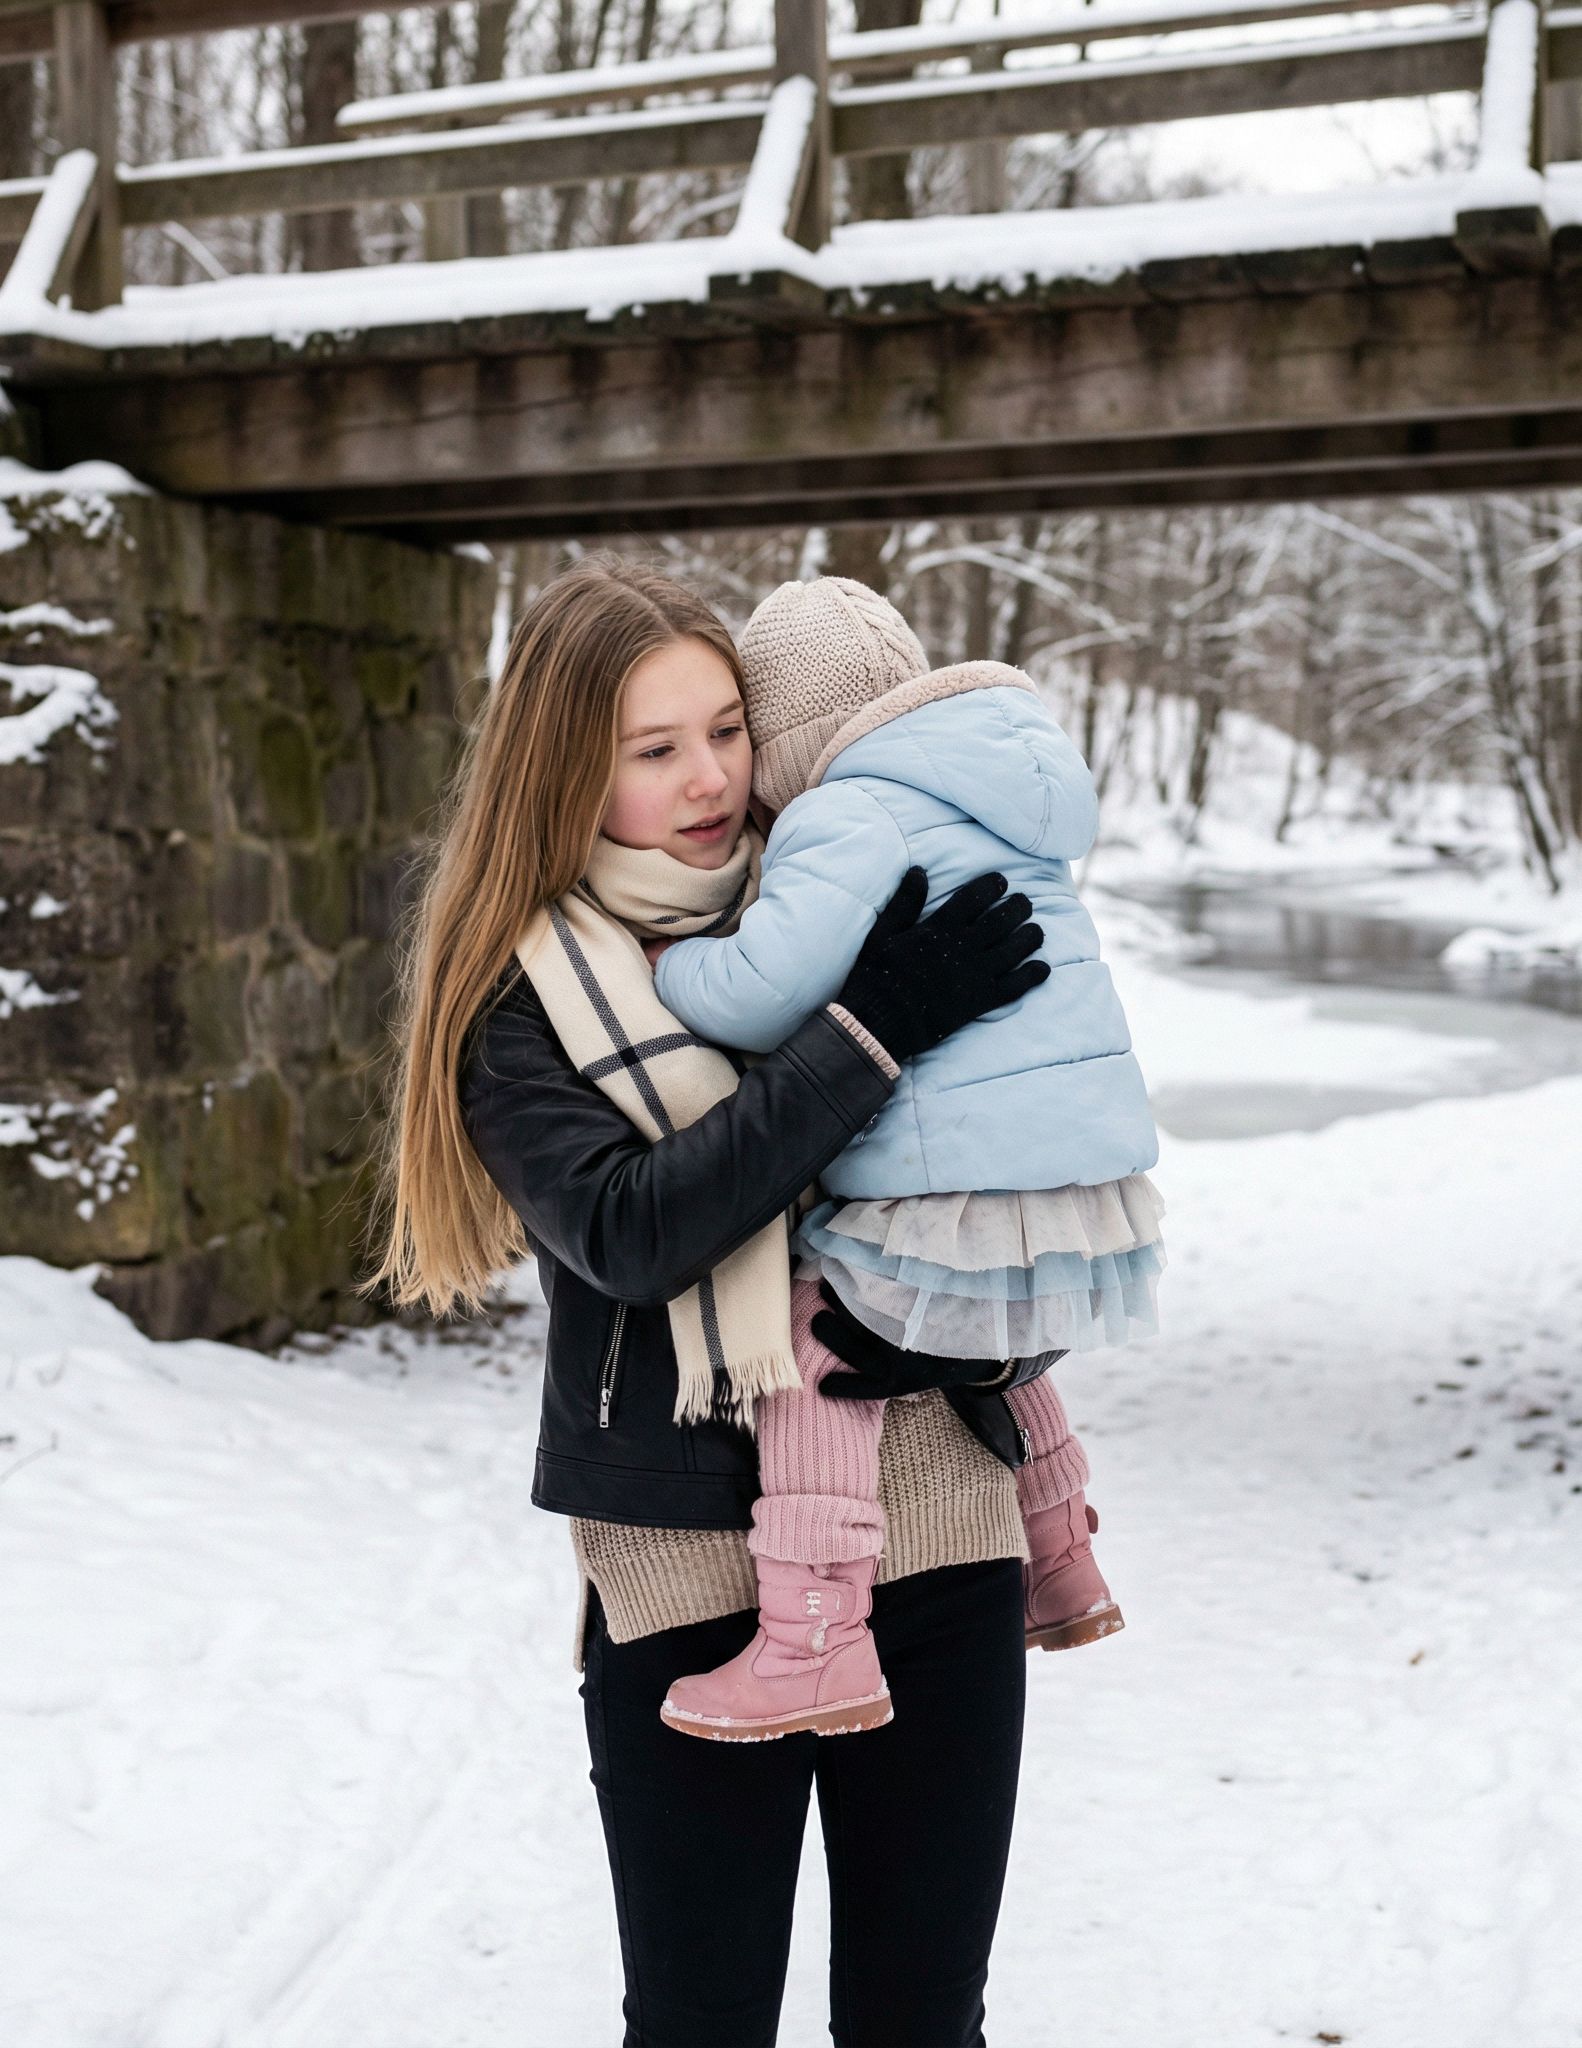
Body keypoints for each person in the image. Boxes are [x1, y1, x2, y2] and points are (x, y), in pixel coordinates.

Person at [373, 554, 1054, 2048]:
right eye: (653, 747)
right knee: (700, 2023)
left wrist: (994, 1325)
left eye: (726, 732)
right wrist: (872, 1029)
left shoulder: (857, 897)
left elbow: (1015, 1188)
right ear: (566, 774)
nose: (709, 780)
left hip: (936, 1532)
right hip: (685, 1573)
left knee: (923, 2019)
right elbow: (633, 1231)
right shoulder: (523, 1001)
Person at [651, 577, 1162, 1742]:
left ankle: (810, 1640)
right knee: (991, 1329)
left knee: (813, 1335)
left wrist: (668, 960)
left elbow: (759, 990)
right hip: (1085, 1187)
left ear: (784, 738)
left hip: (959, 1177)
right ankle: (1062, 1558)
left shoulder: (851, 810)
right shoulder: (1002, 794)